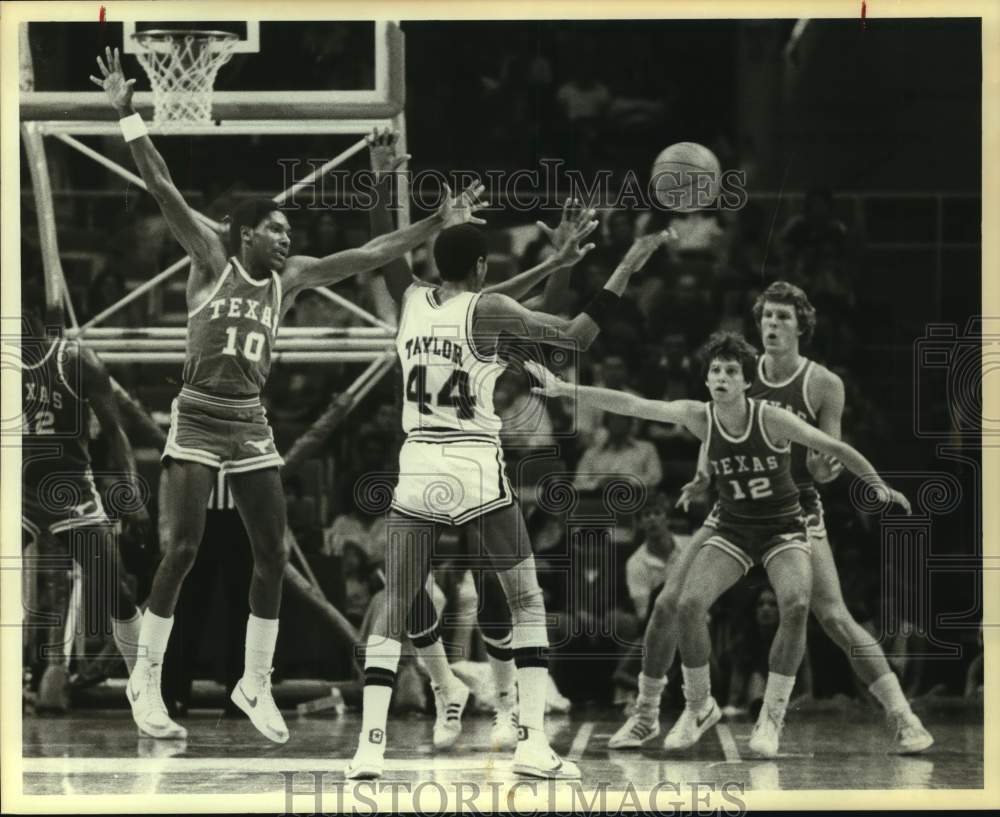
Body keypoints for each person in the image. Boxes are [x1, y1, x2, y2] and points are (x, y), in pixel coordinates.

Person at [90, 48, 477, 742]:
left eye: (289, 233)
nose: (286, 237)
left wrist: (433, 226)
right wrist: (127, 115)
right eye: (276, 229)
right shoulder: (211, 257)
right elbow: (162, 186)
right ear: (246, 232)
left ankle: (255, 680)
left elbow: (368, 255)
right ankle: (146, 678)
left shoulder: (288, 278)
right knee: (182, 549)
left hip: (249, 421)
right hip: (197, 415)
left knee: (272, 552)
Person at [346, 130, 673, 779]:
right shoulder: (489, 307)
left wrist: (381, 178)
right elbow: (573, 333)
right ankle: (531, 742)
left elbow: (382, 244)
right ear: (482, 267)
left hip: (418, 462)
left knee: (396, 600)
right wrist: (623, 268)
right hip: (473, 463)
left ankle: (369, 747)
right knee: (526, 598)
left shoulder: (409, 298)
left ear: (432, 258)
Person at [526, 330, 911, 758]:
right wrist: (565, 389)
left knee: (798, 605)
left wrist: (877, 485)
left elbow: (833, 445)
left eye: (731, 371)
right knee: (687, 605)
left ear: (746, 381)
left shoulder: (771, 418)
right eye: (715, 370)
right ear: (706, 379)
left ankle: (772, 717)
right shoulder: (699, 416)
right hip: (733, 525)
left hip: (782, 525)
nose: (722, 377)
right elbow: (633, 404)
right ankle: (698, 706)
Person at [607, 281, 934, 755]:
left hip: (794, 509)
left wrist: (826, 471)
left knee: (832, 616)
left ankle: (903, 717)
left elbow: (828, 455)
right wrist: (703, 473)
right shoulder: (741, 370)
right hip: (735, 507)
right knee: (669, 604)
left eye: (783, 317)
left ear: (802, 326)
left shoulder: (823, 383)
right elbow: (713, 424)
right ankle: (645, 715)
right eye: (767, 317)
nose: (773, 325)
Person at [20, 284, 147, 712]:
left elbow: (115, 432)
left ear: (33, 314)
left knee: (115, 592)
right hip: (19, 491)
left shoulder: (76, 360)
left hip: (69, 488)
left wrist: (131, 494)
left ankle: (148, 692)